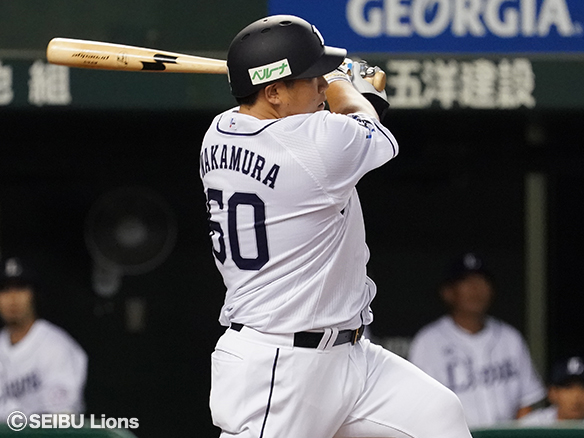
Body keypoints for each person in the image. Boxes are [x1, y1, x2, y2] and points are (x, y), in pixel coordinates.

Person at [200, 14, 472, 438]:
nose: (322, 86)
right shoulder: (313, 144)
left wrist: (331, 84)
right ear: (273, 92)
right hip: (280, 366)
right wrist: (350, 84)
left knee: (440, 417)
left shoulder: (219, 132)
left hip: (350, 356)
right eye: (312, 79)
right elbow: (364, 122)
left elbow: (336, 127)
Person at [408, 252, 546, 429]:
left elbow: (526, 402)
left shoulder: (511, 339)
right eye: (466, 282)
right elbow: (420, 407)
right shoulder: (428, 342)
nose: (476, 288)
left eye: (482, 281)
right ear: (448, 292)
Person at [0, 257, 88, 418]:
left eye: (21, 288)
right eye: (4, 289)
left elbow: (62, 416)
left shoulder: (56, 347)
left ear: (33, 295)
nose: (13, 298)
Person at [520, 355, 584, 425]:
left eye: (582, 387)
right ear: (552, 392)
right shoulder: (532, 425)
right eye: (568, 387)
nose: (576, 395)